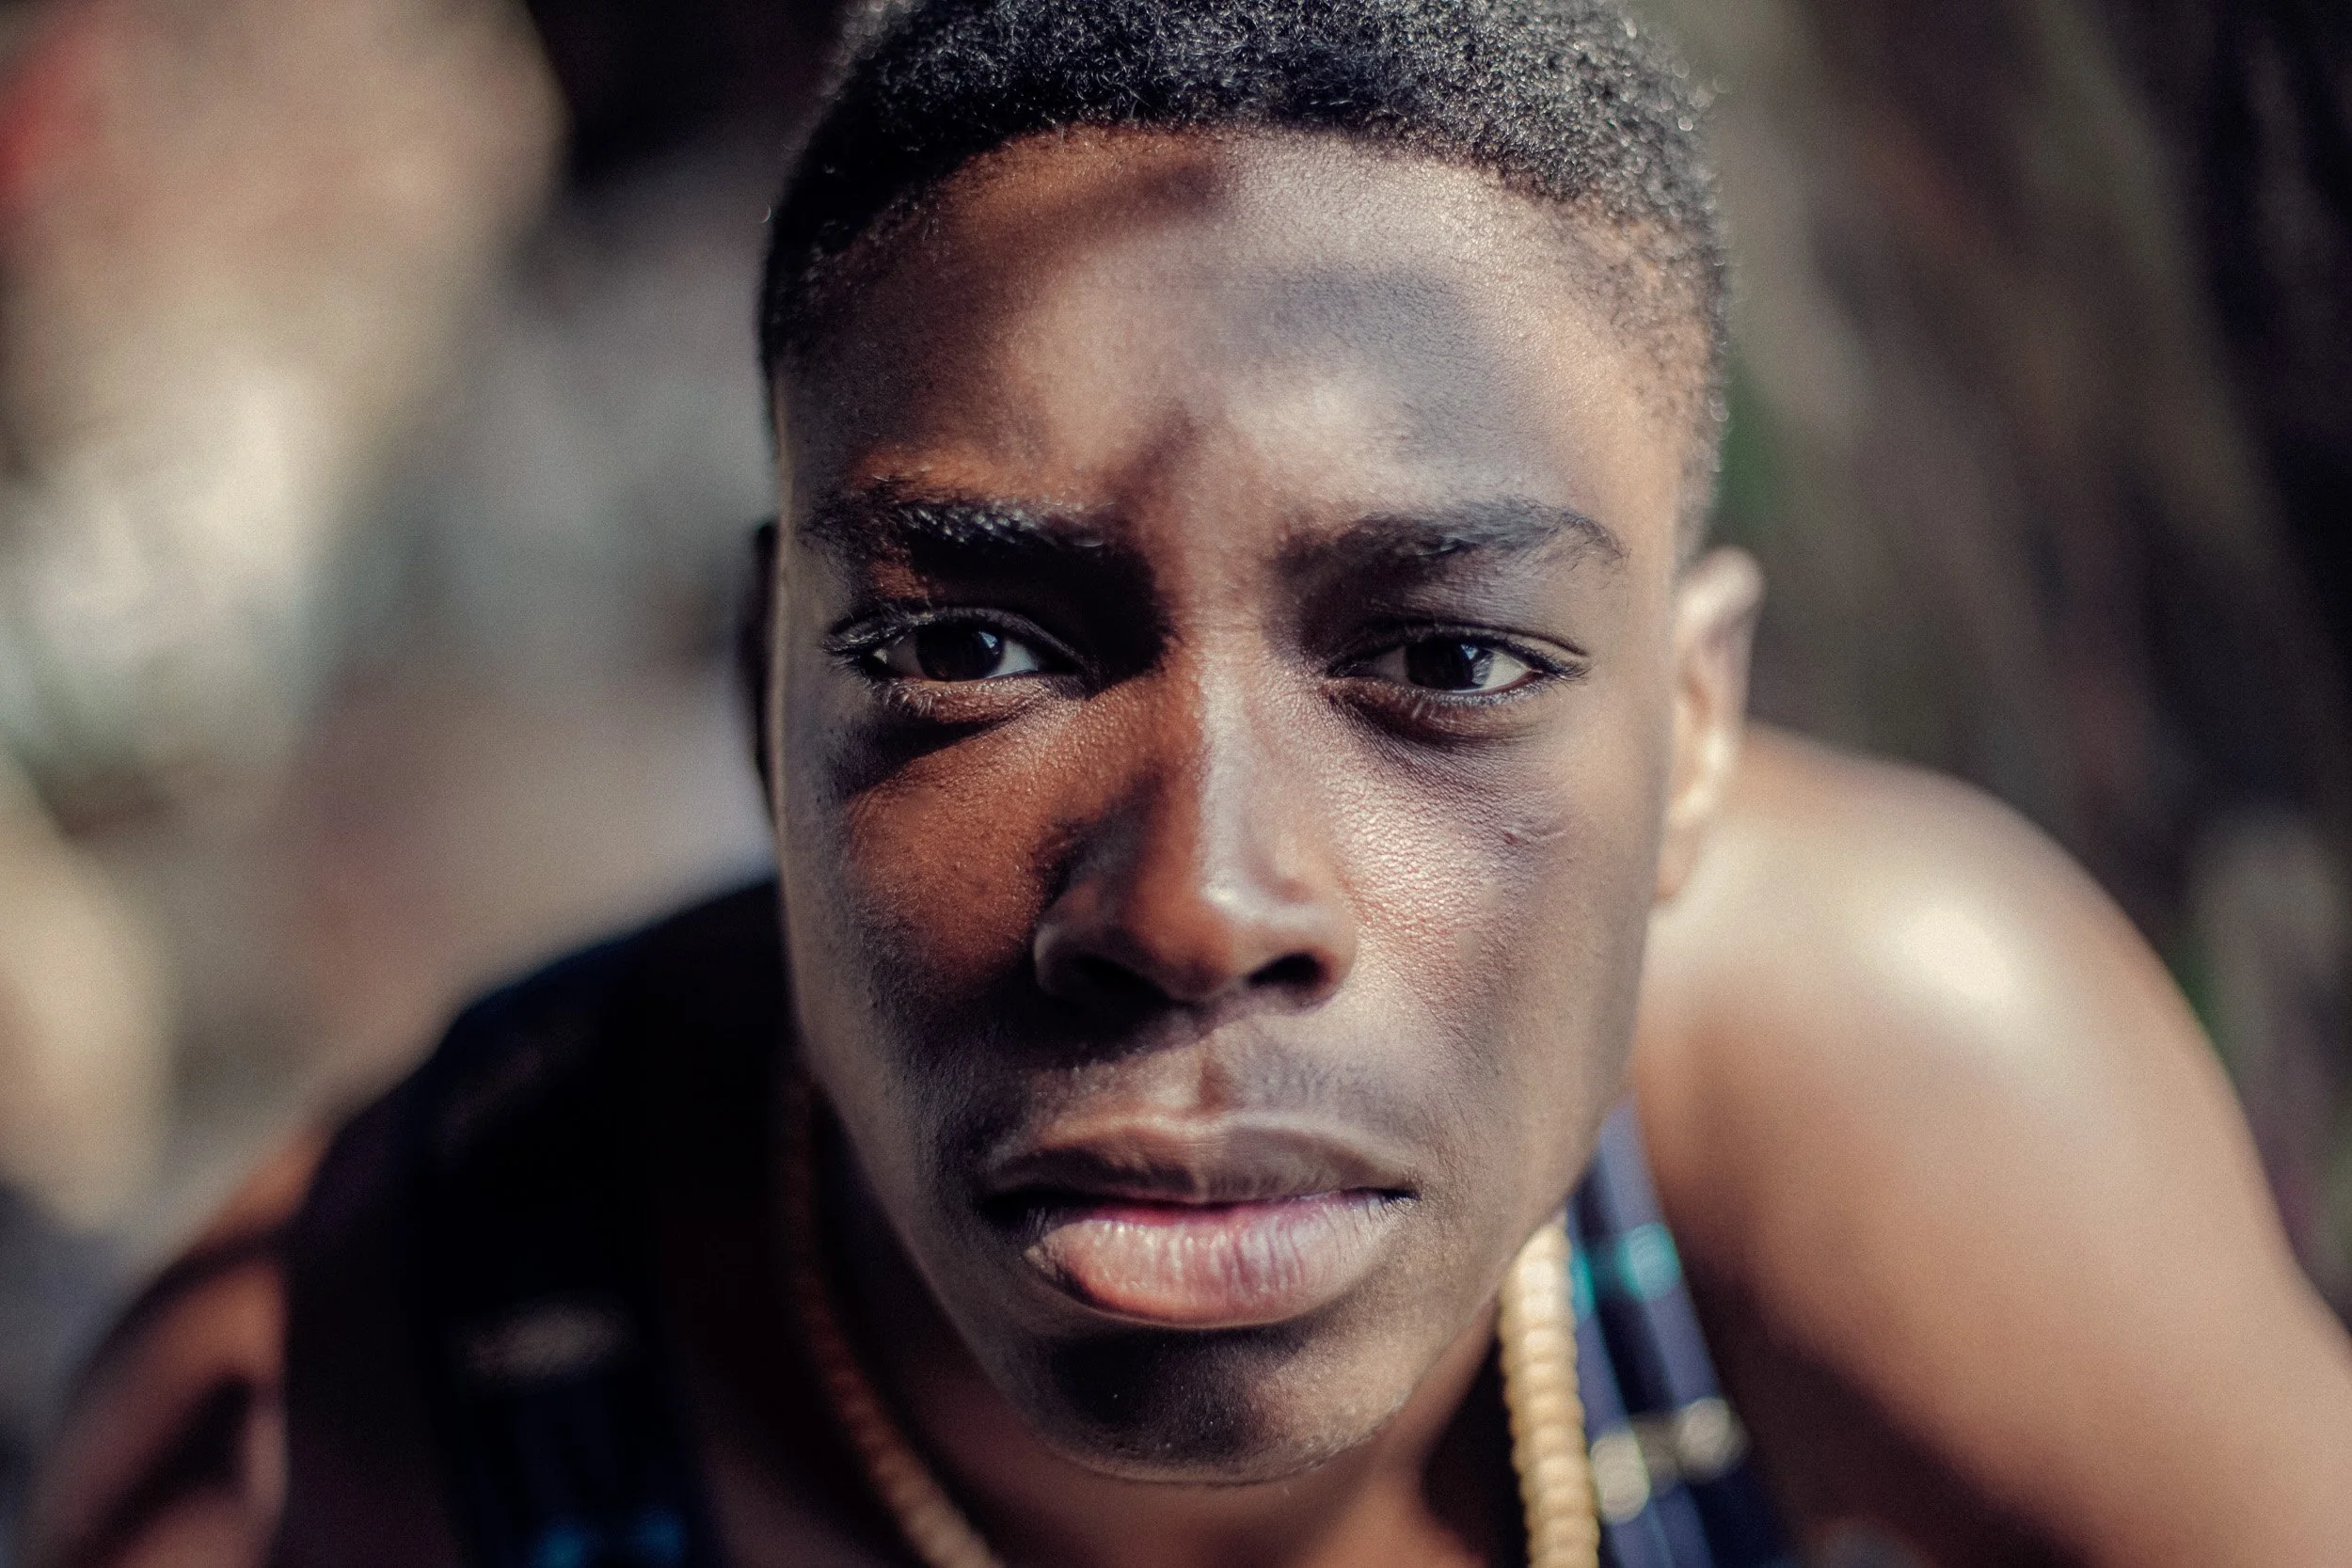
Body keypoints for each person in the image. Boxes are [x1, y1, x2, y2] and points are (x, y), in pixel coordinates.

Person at [31, 2, 2352, 1565]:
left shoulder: (1895, 1102)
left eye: (1446, 658)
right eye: (966, 648)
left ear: (1696, 735)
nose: (1195, 900)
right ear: (765, 690)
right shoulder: (359, 1403)